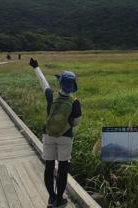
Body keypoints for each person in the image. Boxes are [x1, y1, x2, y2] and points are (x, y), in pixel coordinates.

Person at [29, 58, 82, 208]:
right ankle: (60, 200)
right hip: (65, 137)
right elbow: (76, 123)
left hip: (48, 135)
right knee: (63, 168)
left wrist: (36, 67)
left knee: (49, 167)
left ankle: (51, 197)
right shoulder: (75, 102)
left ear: (60, 83)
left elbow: (43, 82)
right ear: (72, 87)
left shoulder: (51, 96)